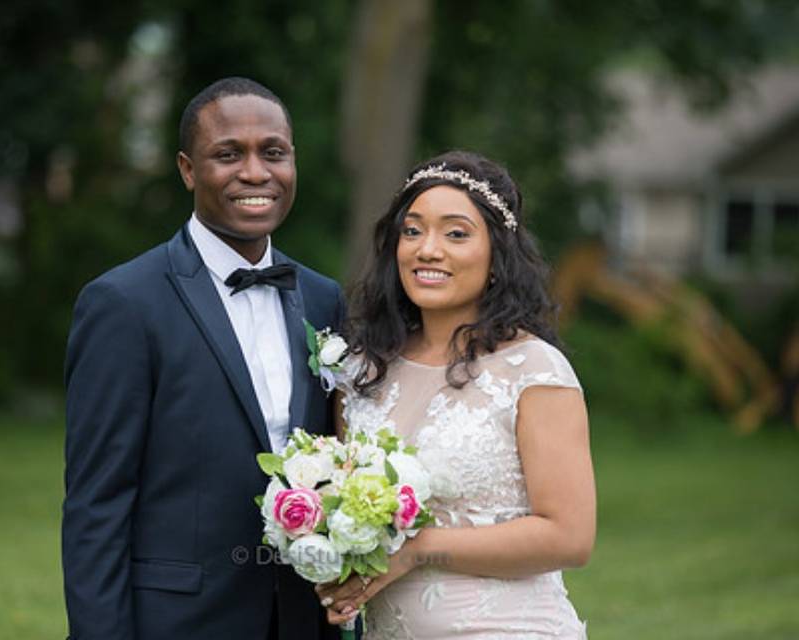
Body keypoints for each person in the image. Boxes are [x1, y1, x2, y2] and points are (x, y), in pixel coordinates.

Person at [62, 77, 343, 640]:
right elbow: (97, 503)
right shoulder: (124, 303)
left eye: (274, 153)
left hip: (299, 618)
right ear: (189, 170)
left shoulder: (323, 298)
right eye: (227, 154)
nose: (256, 173)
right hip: (178, 621)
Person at [318, 150, 596, 638]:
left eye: (456, 233)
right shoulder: (361, 370)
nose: (428, 249)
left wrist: (420, 549)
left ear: (496, 256)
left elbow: (569, 537)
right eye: (412, 230)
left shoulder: (532, 371)